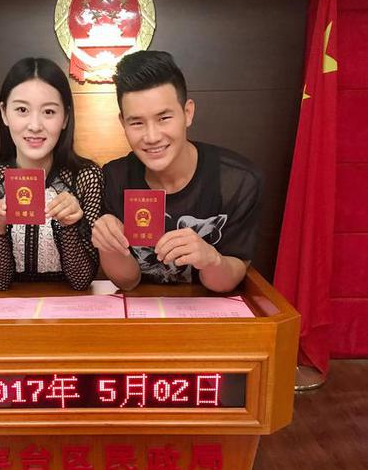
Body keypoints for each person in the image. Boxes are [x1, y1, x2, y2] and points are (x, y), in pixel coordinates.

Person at [91, 51, 262, 292]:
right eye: (137, 122)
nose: (152, 137)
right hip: (141, 308)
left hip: (208, 309)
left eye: (164, 118)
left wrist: (211, 259)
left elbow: (226, 281)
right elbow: (128, 282)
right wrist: (108, 245)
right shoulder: (114, 177)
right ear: (123, 123)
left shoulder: (238, 181)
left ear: (187, 113)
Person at [0, 57, 103, 290]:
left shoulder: (86, 177)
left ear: (65, 118)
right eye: (22, 110)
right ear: (4, 113)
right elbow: (0, 281)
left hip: (69, 306)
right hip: (12, 308)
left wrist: (70, 226)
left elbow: (81, 281)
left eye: (49, 111)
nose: (35, 125)